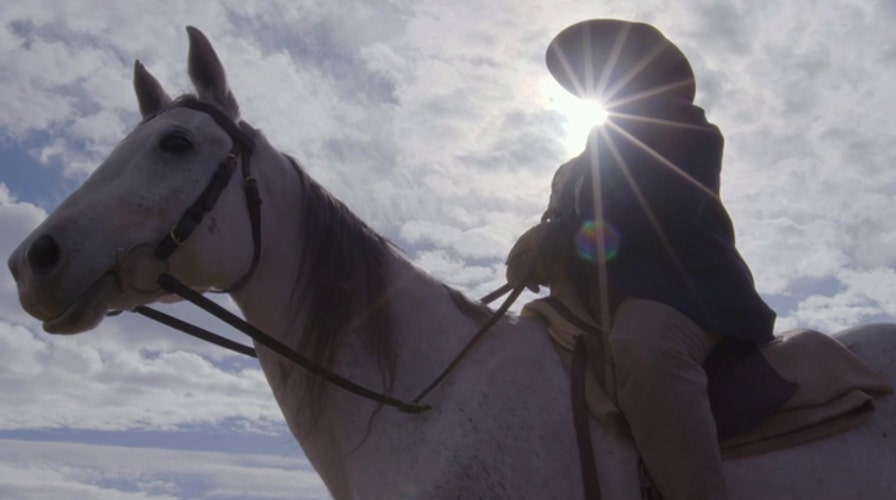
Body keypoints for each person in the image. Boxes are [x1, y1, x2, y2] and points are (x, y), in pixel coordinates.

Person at [508, 20, 776, 499]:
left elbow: (654, 202)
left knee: (646, 349)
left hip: (682, 291)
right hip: (591, 304)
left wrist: (556, 238)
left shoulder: (686, 128)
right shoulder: (572, 168)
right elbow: (568, 233)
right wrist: (535, 255)